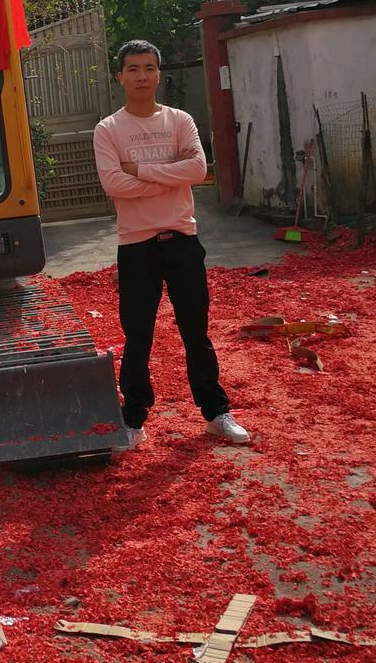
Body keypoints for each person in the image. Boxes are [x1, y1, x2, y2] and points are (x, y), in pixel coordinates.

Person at [93, 39, 250, 452]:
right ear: (120, 76)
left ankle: (216, 413)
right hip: (137, 247)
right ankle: (134, 419)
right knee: (138, 335)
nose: (142, 76)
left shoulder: (180, 121)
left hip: (182, 240)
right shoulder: (108, 129)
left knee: (196, 332)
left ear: (159, 73)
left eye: (149, 67)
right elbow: (114, 184)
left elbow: (199, 169)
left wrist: (141, 170)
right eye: (133, 69)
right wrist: (168, 176)